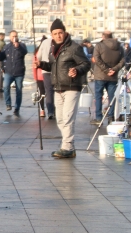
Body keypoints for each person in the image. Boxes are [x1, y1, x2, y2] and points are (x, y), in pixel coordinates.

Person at [34, 19, 90, 159]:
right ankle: (69, 146)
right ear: (51, 35)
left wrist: (77, 70)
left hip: (72, 87)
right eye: (55, 33)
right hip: (57, 88)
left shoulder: (74, 48)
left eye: (60, 33)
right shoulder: (54, 49)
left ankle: (67, 146)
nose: (58, 36)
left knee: (67, 118)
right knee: (59, 119)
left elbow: (86, 63)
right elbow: (53, 67)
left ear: (65, 33)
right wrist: (41, 64)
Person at [91, 31, 125, 126]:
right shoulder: (119, 46)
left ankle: (98, 118)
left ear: (103, 36)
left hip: (100, 75)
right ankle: (111, 117)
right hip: (113, 77)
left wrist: (106, 70)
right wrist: (114, 69)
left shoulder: (99, 45)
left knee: (98, 96)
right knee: (112, 97)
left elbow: (97, 59)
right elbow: (123, 61)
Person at [0, 30, 28, 115]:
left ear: (17, 37)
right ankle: (8, 104)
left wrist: (18, 47)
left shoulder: (22, 45)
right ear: (10, 37)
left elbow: (24, 52)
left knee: (18, 91)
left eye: (15, 36)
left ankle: (17, 108)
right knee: (6, 87)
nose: (14, 38)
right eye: (12, 36)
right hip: (9, 72)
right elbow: (1, 58)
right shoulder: (6, 47)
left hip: (19, 72)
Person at [37, 34, 56, 119]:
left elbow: (38, 56)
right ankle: (56, 110)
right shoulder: (60, 42)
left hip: (45, 70)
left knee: (49, 91)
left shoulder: (44, 42)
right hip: (56, 70)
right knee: (57, 90)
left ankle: (50, 112)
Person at [33, 35, 47, 117]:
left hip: (40, 76)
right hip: (42, 76)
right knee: (45, 93)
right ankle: (44, 110)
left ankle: (42, 110)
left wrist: (35, 77)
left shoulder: (37, 51)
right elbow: (34, 65)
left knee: (42, 93)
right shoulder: (38, 52)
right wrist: (35, 77)